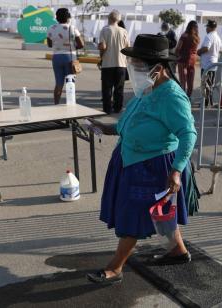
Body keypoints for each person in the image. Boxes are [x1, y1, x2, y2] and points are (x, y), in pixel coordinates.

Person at [85, 34, 199, 285]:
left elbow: (188, 133)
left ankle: (115, 267)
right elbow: (132, 123)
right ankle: (177, 251)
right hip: (132, 160)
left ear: (156, 69)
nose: (132, 69)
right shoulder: (146, 89)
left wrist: (177, 170)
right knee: (159, 213)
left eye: (136, 64)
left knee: (134, 215)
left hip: (154, 165)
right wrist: (106, 128)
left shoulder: (171, 96)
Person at [47, 8, 82, 105]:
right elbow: (81, 44)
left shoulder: (51, 28)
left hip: (57, 58)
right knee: (70, 83)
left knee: (59, 83)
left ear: (57, 18)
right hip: (70, 58)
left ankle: (56, 104)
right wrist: (73, 46)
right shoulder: (72, 28)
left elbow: (50, 45)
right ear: (68, 17)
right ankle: (70, 104)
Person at [98, 10, 130, 114]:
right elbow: (128, 48)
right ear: (119, 19)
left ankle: (107, 109)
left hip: (107, 64)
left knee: (107, 88)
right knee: (119, 88)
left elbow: (102, 46)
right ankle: (118, 108)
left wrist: (101, 57)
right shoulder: (124, 31)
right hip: (121, 64)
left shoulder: (105, 30)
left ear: (108, 18)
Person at [198, 19, 222, 107]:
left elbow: (206, 48)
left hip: (207, 65)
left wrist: (199, 51)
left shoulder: (209, 36)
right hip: (213, 64)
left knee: (205, 84)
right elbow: (221, 51)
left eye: (207, 27)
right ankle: (209, 102)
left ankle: (205, 103)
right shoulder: (218, 38)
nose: (206, 29)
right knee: (210, 84)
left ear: (209, 27)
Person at [175, 20, 200, 99]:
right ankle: (187, 98)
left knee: (183, 82)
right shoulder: (196, 37)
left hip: (183, 61)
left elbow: (178, 48)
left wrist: (177, 56)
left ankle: (183, 99)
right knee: (190, 83)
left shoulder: (184, 36)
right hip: (191, 62)